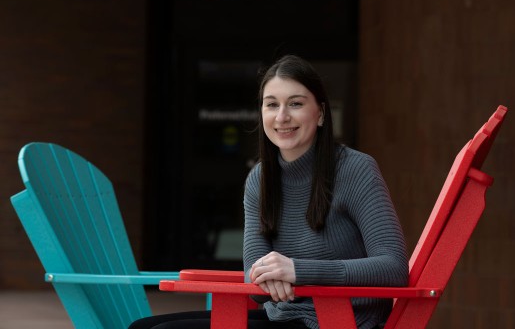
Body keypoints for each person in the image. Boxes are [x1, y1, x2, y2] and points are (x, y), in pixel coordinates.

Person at [129, 55, 409, 329]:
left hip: (342, 320)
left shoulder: (355, 169)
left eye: (295, 104)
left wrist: (298, 271)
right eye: (271, 104)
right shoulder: (259, 179)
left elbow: (394, 268)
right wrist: (269, 276)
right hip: (284, 315)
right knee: (142, 326)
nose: (282, 116)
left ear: (321, 113)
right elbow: (255, 278)